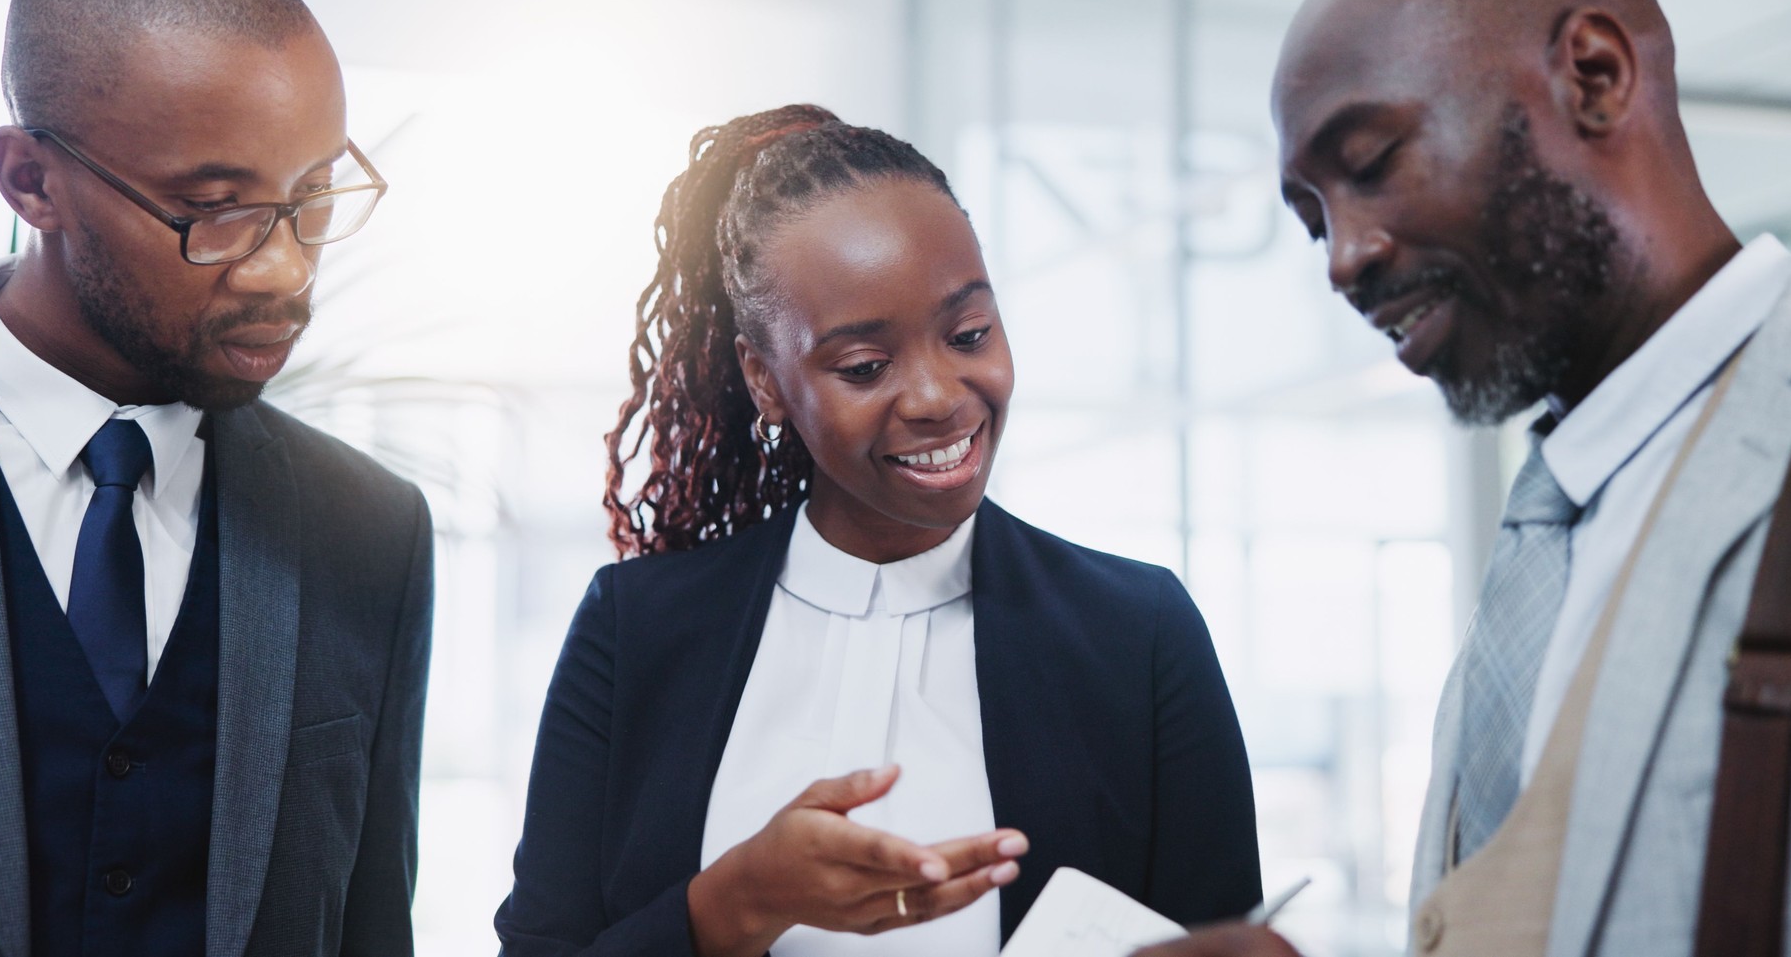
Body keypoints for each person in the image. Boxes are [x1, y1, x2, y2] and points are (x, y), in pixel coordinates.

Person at [1138, 0, 1791, 955]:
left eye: (1370, 162)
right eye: (1313, 218)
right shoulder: (1546, 536)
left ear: (1593, 78)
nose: (1343, 259)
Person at [493, 104, 1261, 956]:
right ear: (767, 380)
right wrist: (740, 900)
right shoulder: (635, 630)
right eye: (864, 366)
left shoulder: (1139, 633)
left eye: (969, 333)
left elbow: (1228, 940)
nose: (937, 395)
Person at [0, 0, 433, 957]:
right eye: (215, 209)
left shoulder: (371, 531)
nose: (284, 271)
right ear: (29, 181)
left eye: (315, 196)